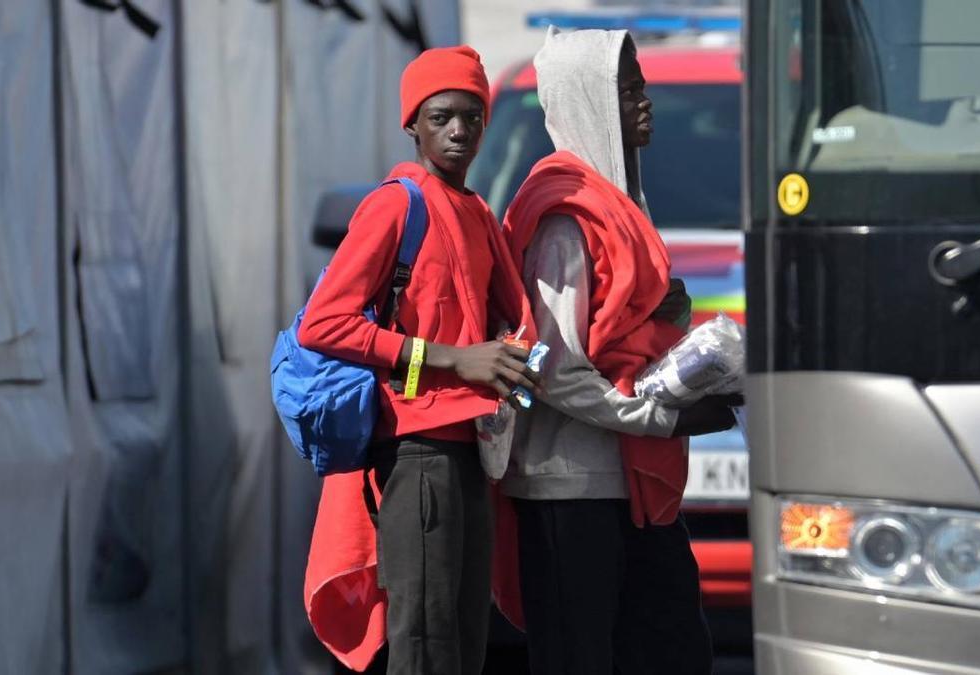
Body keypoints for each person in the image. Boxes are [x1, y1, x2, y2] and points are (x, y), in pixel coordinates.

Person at [499, 28, 741, 675]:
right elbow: (547, 365)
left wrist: (676, 319)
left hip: (626, 483)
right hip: (570, 486)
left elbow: (619, 323)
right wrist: (658, 415)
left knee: (673, 650)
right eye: (627, 88)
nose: (645, 101)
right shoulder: (567, 216)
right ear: (588, 100)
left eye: (641, 86)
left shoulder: (619, 205)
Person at [297, 45, 538, 675]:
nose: (459, 131)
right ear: (413, 125)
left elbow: (510, 322)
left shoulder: (480, 211)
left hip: (473, 450)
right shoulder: (395, 204)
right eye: (441, 117)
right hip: (416, 452)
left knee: (463, 639)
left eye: (472, 117)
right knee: (424, 641)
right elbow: (323, 324)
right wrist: (453, 360)